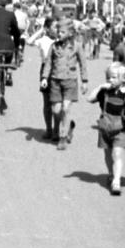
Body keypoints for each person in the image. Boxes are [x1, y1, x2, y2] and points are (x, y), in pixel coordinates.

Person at [41, 17, 88, 150]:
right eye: (58, 31)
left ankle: (63, 138)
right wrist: (44, 78)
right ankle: (68, 128)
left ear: (69, 33)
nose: (58, 34)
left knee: (66, 108)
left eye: (61, 32)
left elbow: (83, 63)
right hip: (55, 81)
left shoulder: (76, 46)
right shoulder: (53, 46)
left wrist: (84, 81)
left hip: (70, 81)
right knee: (56, 110)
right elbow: (48, 63)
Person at [84, 62, 125, 196]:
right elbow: (89, 98)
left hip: (121, 129)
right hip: (105, 128)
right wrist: (100, 87)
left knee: (117, 154)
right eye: (109, 77)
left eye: (115, 77)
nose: (111, 80)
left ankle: (117, 181)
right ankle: (111, 173)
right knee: (107, 155)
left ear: (124, 78)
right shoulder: (105, 92)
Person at [28, 17, 60, 140]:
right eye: (54, 27)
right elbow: (29, 41)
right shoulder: (42, 40)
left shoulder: (59, 39)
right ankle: (49, 129)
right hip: (45, 70)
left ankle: (57, 131)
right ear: (47, 29)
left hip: (58, 69)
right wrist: (41, 30)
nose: (56, 30)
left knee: (57, 102)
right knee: (47, 103)